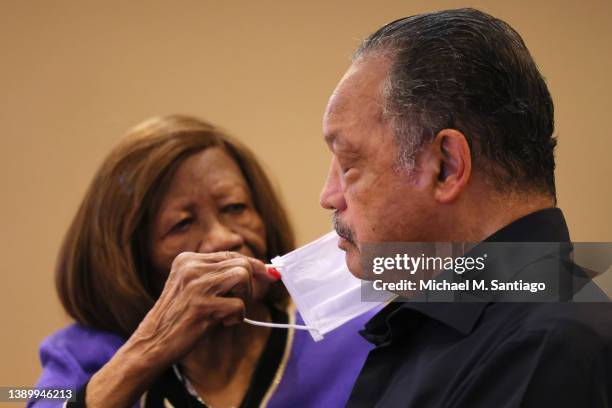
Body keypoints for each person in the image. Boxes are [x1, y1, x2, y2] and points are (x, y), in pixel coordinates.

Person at [319, 8, 612, 407]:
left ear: (446, 166)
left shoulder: (545, 346)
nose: (329, 196)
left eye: (349, 164)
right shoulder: (451, 331)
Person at [31, 115, 373, 408]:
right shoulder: (79, 354)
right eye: (181, 223)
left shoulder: (354, 333)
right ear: (131, 257)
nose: (223, 237)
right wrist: (149, 349)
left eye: (235, 208)